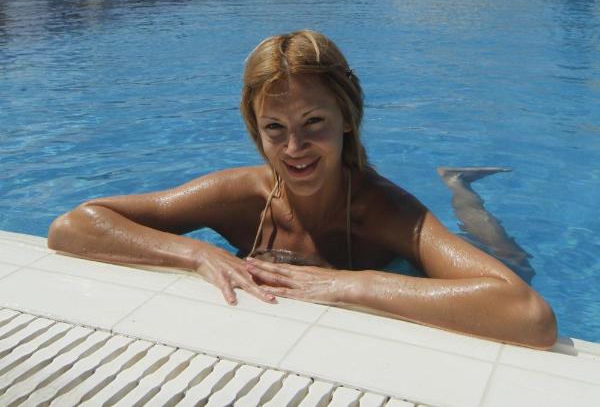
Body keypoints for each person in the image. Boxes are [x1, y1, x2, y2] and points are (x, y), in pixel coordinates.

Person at [48, 30, 556, 348]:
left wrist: (354, 284)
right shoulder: (241, 196)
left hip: (405, 255)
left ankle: (461, 187)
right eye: (275, 128)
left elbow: (528, 314)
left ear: (347, 118)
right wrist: (196, 253)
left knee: (509, 256)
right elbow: (74, 225)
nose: (294, 148)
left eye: (314, 122)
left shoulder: (385, 212)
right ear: (256, 129)